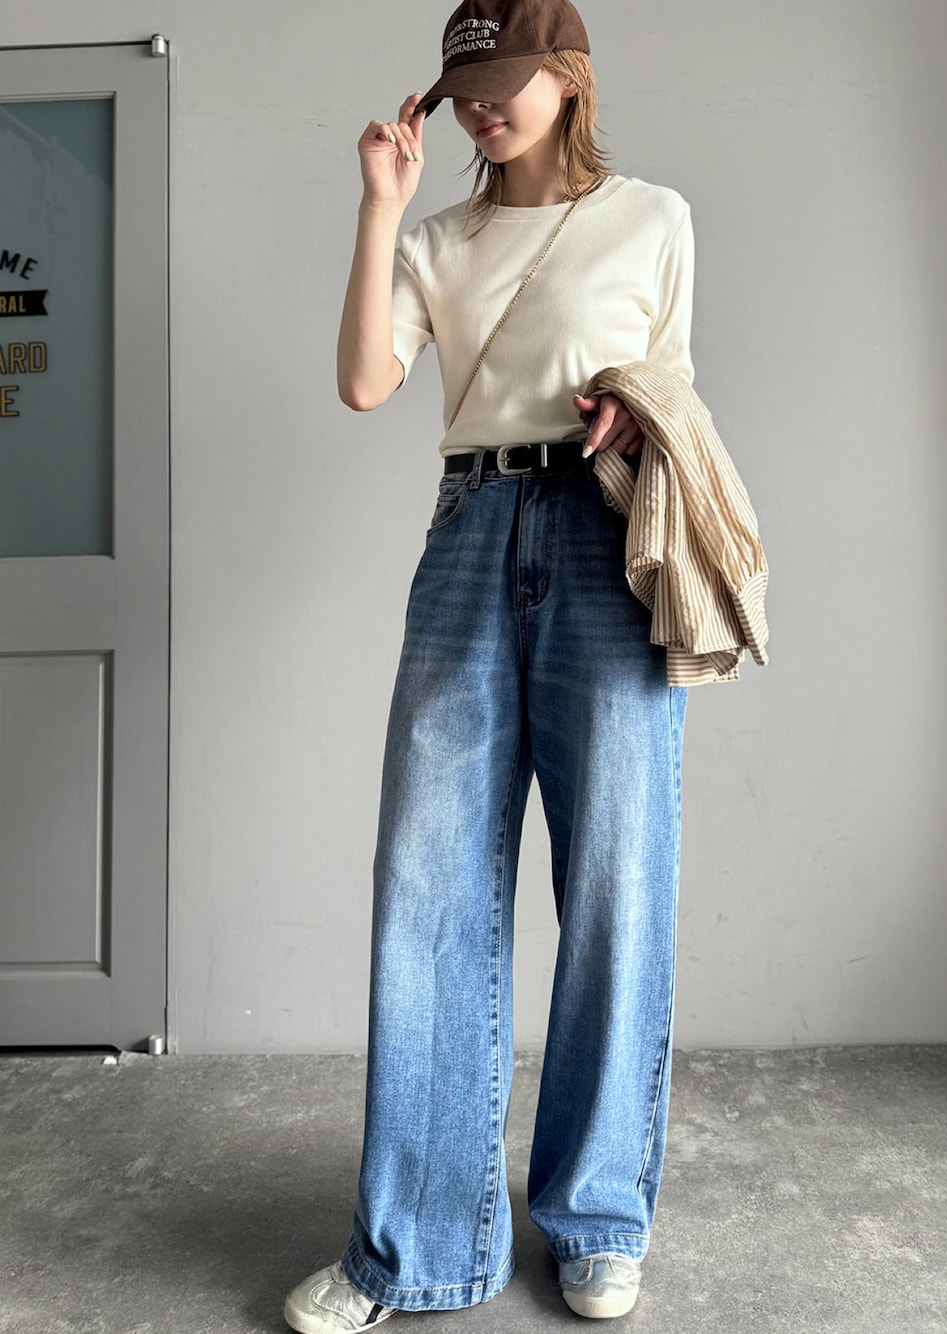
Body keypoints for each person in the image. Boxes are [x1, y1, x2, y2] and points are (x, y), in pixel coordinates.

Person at [284, 1, 697, 1327]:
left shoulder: (653, 217)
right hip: (470, 533)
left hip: (603, 531)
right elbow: (365, 383)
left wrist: (634, 405)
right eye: (465, 84)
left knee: (616, 881)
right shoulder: (439, 239)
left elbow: (676, 387)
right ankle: (413, 1247)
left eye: (505, 80)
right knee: (429, 886)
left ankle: (599, 1217)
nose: (480, 106)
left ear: (567, 79)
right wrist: (379, 206)